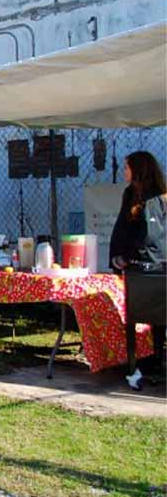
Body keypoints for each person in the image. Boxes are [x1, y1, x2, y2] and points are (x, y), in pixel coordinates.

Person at [109, 151, 167, 390]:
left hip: (155, 267)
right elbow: (123, 228)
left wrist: (131, 255)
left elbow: (150, 234)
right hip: (135, 268)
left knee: (159, 317)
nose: (124, 171)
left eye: (127, 167)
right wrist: (117, 257)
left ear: (138, 169)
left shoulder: (160, 197)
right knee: (138, 316)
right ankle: (140, 362)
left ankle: (157, 360)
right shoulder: (130, 194)